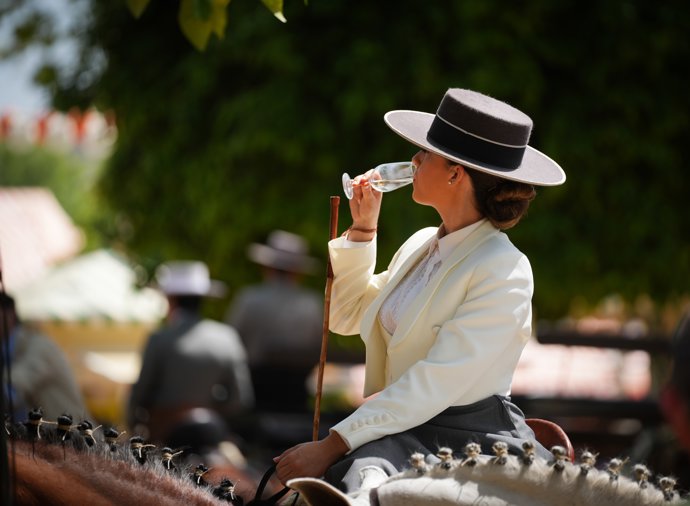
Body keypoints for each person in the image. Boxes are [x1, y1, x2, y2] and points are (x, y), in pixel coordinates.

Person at [274, 88, 567, 497]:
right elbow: (347, 318)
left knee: (363, 485)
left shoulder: (506, 269)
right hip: (400, 425)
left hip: (466, 435)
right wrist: (363, 230)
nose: (414, 161)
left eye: (425, 153)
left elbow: (435, 382)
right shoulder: (422, 242)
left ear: (454, 173)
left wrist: (333, 443)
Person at [127, 261, 254, 444]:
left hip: (164, 437)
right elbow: (240, 400)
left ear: (171, 299)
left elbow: (140, 395)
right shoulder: (227, 337)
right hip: (212, 435)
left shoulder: (159, 339)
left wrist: (135, 426)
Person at [225, 230, 323, 413]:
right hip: (296, 390)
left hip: (254, 387)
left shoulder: (249, 299)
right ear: (298, 272)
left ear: (267, 267)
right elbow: (318, 346)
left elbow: (230, 342)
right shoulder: (313, 304)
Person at [1, 292, 89, 422]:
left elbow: (13, 386)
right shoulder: (11, 349)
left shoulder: (39, 346)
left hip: (71, 438)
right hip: (49, 438)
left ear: (10, 315)